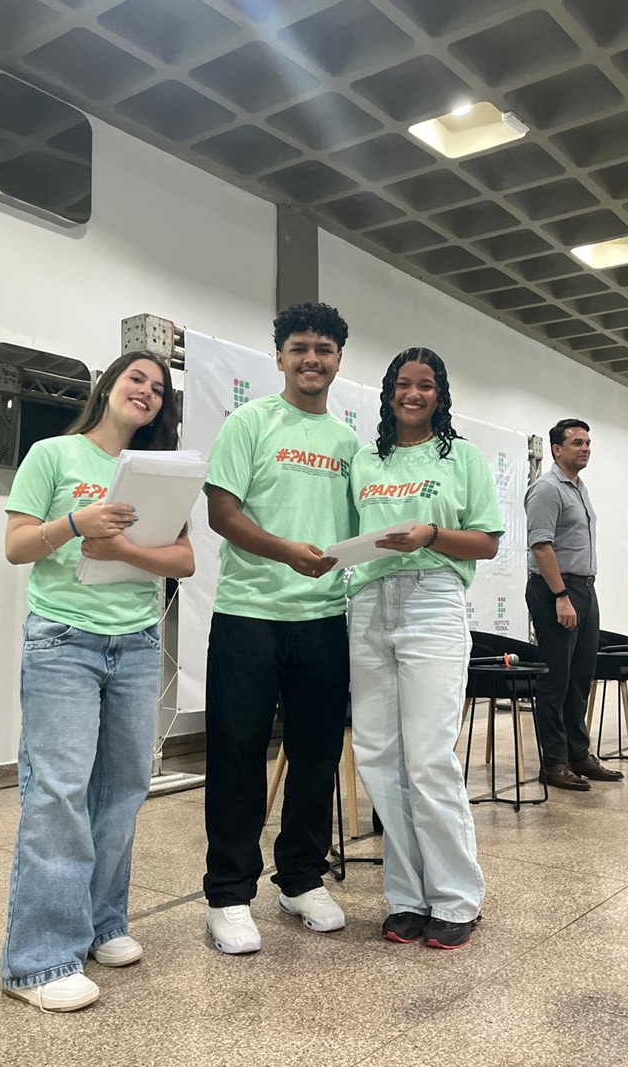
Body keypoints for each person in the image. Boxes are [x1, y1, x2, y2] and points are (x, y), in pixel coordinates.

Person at [0, 352, 195, 1011]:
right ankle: (37, 961)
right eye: (136, 378)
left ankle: (101, 922)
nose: (147, 391)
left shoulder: (161, 471)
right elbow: (17, 546)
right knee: (58, 793)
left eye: (158, 388)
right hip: (64, 641)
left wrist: (123, 549)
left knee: (122, 789)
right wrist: (75, 525)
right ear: (109, 385)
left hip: (137, 644)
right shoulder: (53, 455)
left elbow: (184, 560)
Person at [203, 302, 359, 954]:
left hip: (323, 619)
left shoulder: (349, 443)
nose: (311, 359)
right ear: (279, 356)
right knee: (236, 754)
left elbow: (361, 529)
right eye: (299, 348)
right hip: (249, 614)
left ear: (338, 360)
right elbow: (221, 512)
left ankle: (300, 878)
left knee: (317, 754)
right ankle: (228, 894)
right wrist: (285, 552)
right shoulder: (250, 422)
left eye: (323, 349)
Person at [348, 347, 503, 950]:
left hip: (432, 600)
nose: (413, 395)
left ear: (441, 395)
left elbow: (487, 542)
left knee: (429, 757)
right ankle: (407, 896)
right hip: (369, 601)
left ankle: (457, 897)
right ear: (389, 391)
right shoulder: (366, 459)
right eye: (403, 384)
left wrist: (431, 535)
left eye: (426, 385)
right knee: (378, 755)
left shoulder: (460, 456)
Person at [524, 419, 624, 790]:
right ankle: (554, 762)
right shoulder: (547, 489)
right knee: (556, 679)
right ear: (556, 449)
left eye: (588, 443)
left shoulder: (579, 488)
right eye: (577, 443)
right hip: (557, 589)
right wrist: (561, 596)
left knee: (581, 676)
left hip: (584, 589)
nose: (585, 448)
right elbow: (541, 546)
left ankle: (578, 754)